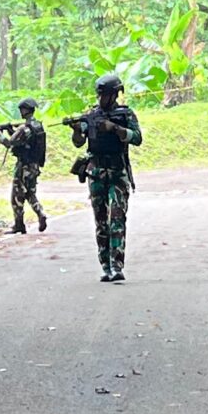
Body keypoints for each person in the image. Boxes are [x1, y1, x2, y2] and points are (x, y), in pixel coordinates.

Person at [69, 72, 143, 283]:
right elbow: (78, 141)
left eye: (105, 95)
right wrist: (76, 130)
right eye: (99, 95)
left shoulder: (125, 115)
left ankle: (117, 265)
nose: (101, 99)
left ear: (114, 95)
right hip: (96, 173)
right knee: (101, 221)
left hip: (118, 172)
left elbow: (137, 138)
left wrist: (116, 129)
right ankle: (105, 265)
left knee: (117, 219)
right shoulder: (91, 115)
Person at [3, 98, 49, 234]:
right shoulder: (37, 126)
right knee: (30, 193)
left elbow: (10, 143)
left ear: (25, 110)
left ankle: (19, 224)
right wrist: (10, 130)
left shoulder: (25, 128)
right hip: (34, 166)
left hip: (23, 166)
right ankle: (40, 213)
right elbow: (21, 141)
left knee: (17, 196)